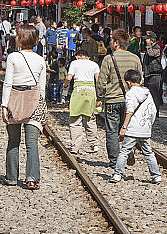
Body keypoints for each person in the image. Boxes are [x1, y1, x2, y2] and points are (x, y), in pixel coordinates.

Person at [1, 24, 47, 190]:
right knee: (32, 143)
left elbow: (8, 83)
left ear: (22, 39)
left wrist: (4, 105)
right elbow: (42, 87)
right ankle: (32, 178)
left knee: (13, 141)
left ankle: (12, 177)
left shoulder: (13, 57)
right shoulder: (41, 60)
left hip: (15, 100)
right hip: (34, 100)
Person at [97, 29, 143, 167]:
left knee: (112, 130)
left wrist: (100, 97)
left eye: (111, 40)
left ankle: (114, 161)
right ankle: (130, 149)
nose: (110, 43)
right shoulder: (135, 58)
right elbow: (140, 80)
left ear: (116, 42)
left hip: (112, 100)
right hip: (131, 101)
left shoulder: (108, 59)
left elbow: (101, 82)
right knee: (128, 128)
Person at [110, 69, 161, 184]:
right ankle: (156, 175)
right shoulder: (147, 93)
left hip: (133, 128)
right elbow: (153, 111)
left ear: (128, 82)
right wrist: (149, 125)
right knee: (148, 152)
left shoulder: (130, 93)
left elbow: (129, 111)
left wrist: (124, 127)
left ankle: (117, 174)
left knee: (124, 151)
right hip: (145, 128)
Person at [64, 49, 100, 154]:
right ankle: (94, 144)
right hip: (91, 91)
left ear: (77, 56)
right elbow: (98, 80)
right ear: (88, 57)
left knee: (75, 120)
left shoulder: (74, 63)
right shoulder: (94, 64)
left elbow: (69, 77)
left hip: (78, 91)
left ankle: (75, 147)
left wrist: (65, 85)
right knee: (91, 119)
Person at [142, 31, 164, 108]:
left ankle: (156, 111)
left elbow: (152, 54)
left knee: (155, 94)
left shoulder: (157, 47)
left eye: (147, 39)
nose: (145, 41)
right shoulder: (150, 48)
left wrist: (148, 45)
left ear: (152, 39)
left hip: (155, 74)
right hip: (148, 74)